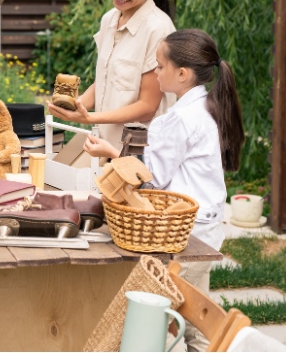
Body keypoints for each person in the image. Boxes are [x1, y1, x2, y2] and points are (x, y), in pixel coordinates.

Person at [84, 29, 245, 352]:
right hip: (207, 227)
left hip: (183, 234)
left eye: (159, 67)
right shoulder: (208, 107)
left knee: (156, 318)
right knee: (197, 314)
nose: (155, 73)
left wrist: (111, 152)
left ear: (182, 74)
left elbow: (151, 179)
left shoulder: (176, 120)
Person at [46, 0, 177, 151]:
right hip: (105, 147)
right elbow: (106, 81)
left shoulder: (159, 29)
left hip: (141, 153)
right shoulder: (109, 20)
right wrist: (72, 105)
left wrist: (89, 118)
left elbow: (147, 106)